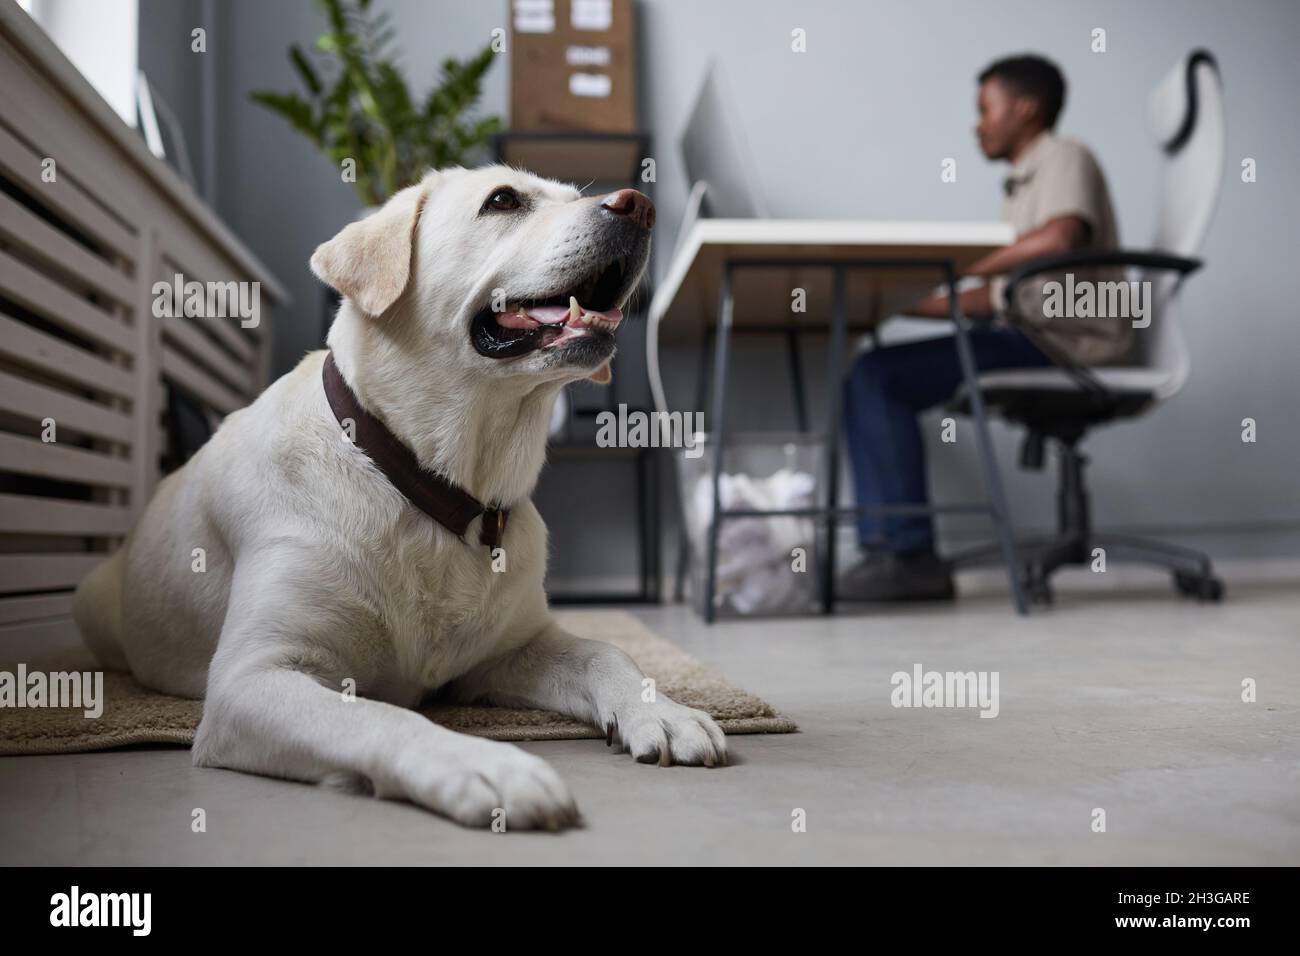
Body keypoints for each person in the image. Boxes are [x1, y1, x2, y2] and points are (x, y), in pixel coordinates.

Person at [838, 54, 1124, 602]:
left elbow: (1060, 239)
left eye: (985, 109)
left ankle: (906, 555)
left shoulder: (1065, 155)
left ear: (1026, 108)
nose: (978, 124)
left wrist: (961, 265)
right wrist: (892, 304)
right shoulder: (1019, 190)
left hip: (1064, 344)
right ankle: (896, 550)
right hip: (1027, 335)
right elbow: (986, 300)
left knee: (878, 378)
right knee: (872, 372)